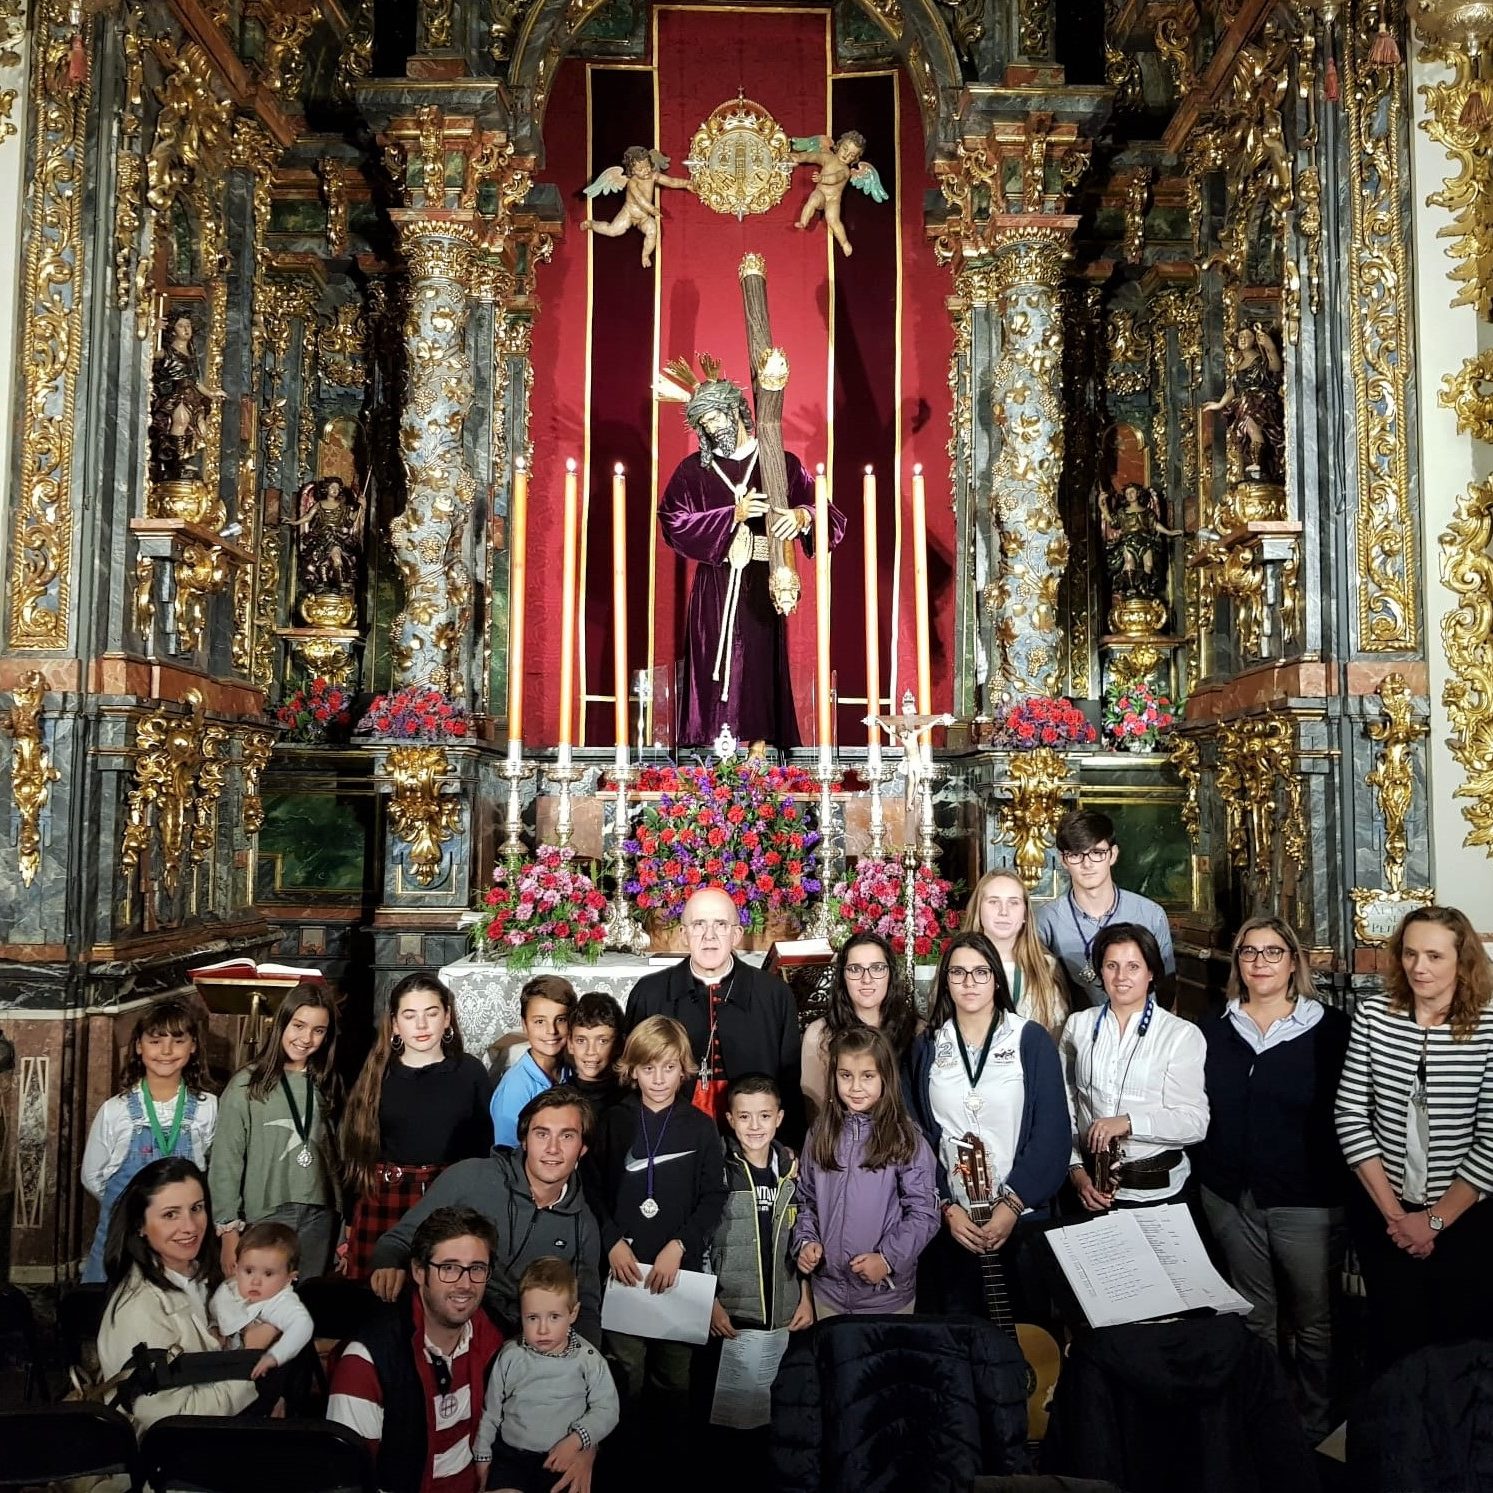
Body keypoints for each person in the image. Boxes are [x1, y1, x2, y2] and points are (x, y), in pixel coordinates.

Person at [1193, 917, 1349, 1443]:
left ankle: (1314, 1421)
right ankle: (1264, 1414)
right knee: (1254, 1315)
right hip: (1229, 1195)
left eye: (1273, 952)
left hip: (1305, 1198)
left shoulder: (1330, 1030)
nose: (1260, 963)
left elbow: (1347, 1115)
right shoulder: (1214, 1028)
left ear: (1293, 962)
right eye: (1249, 952)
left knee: (1313, 1320)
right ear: (1237, 963)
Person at [1335, 904, 1493, 1367]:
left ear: (1461, 961)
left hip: (1466, 1219)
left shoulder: (1488, 1026)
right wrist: (1395, 1216)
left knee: (1459, 1346)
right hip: (1386, 1212)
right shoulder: (1374, 1016)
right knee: (1393, 1338)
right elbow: (1349, 1113)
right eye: (1409, 954)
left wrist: (1434, 1221)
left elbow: (1491, 1140)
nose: (1418, 967)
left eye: (1434, 956)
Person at [658, 372, 845, 749]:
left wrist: (803, 516)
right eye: (704, 424)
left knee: (758, 661)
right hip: (716, 582)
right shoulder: (693, 471)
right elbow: (673, 522)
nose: (710, 429)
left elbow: (831, 516)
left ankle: (759, 749)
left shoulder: (779, 462)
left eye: (715, 418)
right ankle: (711, 753)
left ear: (736, 411)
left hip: (762, 579)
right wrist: (732, 516)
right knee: (713, 659)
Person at [906, 931, 1071, 1319]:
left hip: (1021, 1216)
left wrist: (1012, 1205)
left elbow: (1052, 1133)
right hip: (956, 1221)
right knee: (960, 1337)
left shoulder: (1029, 1040)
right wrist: (946, 1206)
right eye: (958, 973)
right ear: (945, 980)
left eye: (980, 972)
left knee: (1028, 1335)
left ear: (996, 978)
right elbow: (918, 1136)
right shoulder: (928, 1045)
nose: (969, 982)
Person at [370, 1088, 604, 1346]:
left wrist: (584, 1365)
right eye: (541, 1134)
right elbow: (399, 1240)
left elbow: (586, 1309)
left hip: (519, 1345)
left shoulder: (583, 1225)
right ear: (524, 1140)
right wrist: (388, 1262)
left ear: (582, 1148)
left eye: (567, 1136)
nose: (552, 1149)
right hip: (446, 1320)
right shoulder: (470, 1177)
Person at [584, 1016, 727, 1435]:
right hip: (624, 1270)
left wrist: (680, 1244)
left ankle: (670, 1463)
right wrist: (611, 1242)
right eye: (649, 1068)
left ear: (685, 1067)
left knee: (675, 1374)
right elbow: (591, 1189)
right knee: (626, 1370)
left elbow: (713, 1196)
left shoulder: (700, 1128)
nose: (660, 1079)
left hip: (678, 1275)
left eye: (669, 1067)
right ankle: (623, 1460)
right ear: (631, 1069)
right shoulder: (613, 1120)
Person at [328, 1206, 505, 1493]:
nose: (464, 1284)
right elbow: (349, 1479)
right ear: (419, 1272)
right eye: (448, 1268)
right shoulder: (367, 1361)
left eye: (476, 1269)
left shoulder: (494, 1339)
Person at [341, 974, 494, 1280]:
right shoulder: (376, 1074)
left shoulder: (469, 1072)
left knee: (440, 1292)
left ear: (447, 1017)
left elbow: (482, 1149)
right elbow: (356, 1149)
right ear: (395, 1024)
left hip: (448, 1198)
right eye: (410, 1016)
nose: (421, 1026)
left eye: (431, 1014)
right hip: (384, 1197)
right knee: (375, 1300)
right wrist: (348, 1221)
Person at [626, 884, 804, 1138]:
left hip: (752, 1135)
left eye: (720, 924)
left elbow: (788, 1080)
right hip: (671, 1133)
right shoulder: (650, 993)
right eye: (699, 924)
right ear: (684, 934)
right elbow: (631, 1077)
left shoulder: (773, 994)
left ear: (736, 934)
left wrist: (789, 1142)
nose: (709, 936)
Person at [97, 1157, 259, 1430]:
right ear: (140, 1226)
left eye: (197, 1208)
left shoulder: (205, 1278)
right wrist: (255, 1365)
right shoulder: (140, 1308)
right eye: (170, 1214)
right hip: (170, 1460)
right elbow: (172, 1420)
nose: (190, 1227)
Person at [792, 1027, 939, 1318]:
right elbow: (804, 1199)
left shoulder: (905, 1139)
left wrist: (886, 1260)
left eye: (867, 1076)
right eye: (846, 1075)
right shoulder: (820, 1133)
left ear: (885, 1077)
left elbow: (924, 1213)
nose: (855, 1087)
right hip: (828, 1296)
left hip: (885, 1298)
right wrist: (805, 1241)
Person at [1060, 923, 1207, 1210]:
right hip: (1090, 1186)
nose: (1121, 977)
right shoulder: (1079, 1025)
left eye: (1133, 967)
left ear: (1151, 972)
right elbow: (1064, 1104)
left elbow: (1194, 1122)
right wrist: (1076, 1171)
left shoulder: (1180, 1034)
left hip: (1157, 1193)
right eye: (1111, 965)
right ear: (1100, 971)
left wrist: (1128, 1123)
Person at [82, 996, 217, 1283]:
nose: (166, 1051)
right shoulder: (116, 1110)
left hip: (182, 1240)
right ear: (139, 1047)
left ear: (193, 1046)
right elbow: (92, 1177)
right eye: (155, 1041)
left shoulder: (209, 1107)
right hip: (125, 1237)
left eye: (178, 1041)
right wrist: (133, 1207)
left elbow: (214, 1170)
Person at [210, 987, 342, 1278]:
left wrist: (343, 1228)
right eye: (299, 1026)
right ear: (281, 1023)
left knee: (307, 1306)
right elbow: (226, 1160)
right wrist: (228, 1229)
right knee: (262, 1304)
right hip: (266, 1211)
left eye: (318, 1030)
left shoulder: (326, 1082)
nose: (306, 1039)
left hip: (319, 1214)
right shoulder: (247, 1084)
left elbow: (336, 1158)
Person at [473, 1257, 619, 1493]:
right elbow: (491, 1412)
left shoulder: (588, 1359)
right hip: (512, 1458)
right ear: (521, 1314)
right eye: (532, 1318)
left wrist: (577, 1440)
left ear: (573, 1313)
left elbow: (607, 1409)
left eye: (554, 1317)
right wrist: (482, 1456)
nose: (542, 1329)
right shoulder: (510, 1355)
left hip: (562, 1458)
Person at [1036, 810, 1175, 1009]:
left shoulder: (1150, 915)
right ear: (1063, 860)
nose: (1087, 864)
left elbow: (1166, 986)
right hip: (1074, 1031)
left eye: (1097, 853)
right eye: (1076, 855)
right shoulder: (1045, 920)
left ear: (1113, 854)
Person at [711, 1073, 813, 1336]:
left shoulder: (792, 1174)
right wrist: (709, 1302)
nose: (755, 1125)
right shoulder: (717, 1170)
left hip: (785, 1313)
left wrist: (806, 1296)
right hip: (730, 1313)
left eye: (765, 1116)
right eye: (744, 1117)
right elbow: (701, 1242)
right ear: (730, 1119)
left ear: (778, 1118)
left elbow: (803, 1240)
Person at [799, 932, 918, 1129]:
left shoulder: (915, 1030)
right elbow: (816, 1111)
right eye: (855, 969)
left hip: (903, 1145)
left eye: (877, 968)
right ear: (842, 976)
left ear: (891, 974)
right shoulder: (820, 1034)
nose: (866, 979)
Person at [963, 868, 1071, 1039]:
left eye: (1013, 902)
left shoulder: (1045, 967)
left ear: (1025, 914)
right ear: (978, 909)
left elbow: (1055, 1040)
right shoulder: (958, 965)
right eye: (993, 901)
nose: (1003, 911)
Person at [209, 1219, 315, 1382]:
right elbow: (216, 1313)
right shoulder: (232, 1288)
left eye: (268, 1273)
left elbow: (303, 1324)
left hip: (262, 1372)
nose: (255, 1281)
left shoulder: (281, 1301)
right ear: (237, 1268)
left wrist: (275, 1356)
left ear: (289, 1278)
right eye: (249, 1270)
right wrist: (215, 1327)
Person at [491, 976, 575, 1149]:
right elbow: (507, 1156)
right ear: (524, 1025)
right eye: (539, 1021)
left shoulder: (573, 1070)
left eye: (560, 1020)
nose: (551, 1031)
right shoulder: (514, 1090)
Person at [567, 992, 626, 1114]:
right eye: (581, 1040)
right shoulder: (558, 1100)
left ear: (619, 1045)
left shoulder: (629, 1101)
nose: (591, 1051)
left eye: (602, 1041)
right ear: (570, 1044)